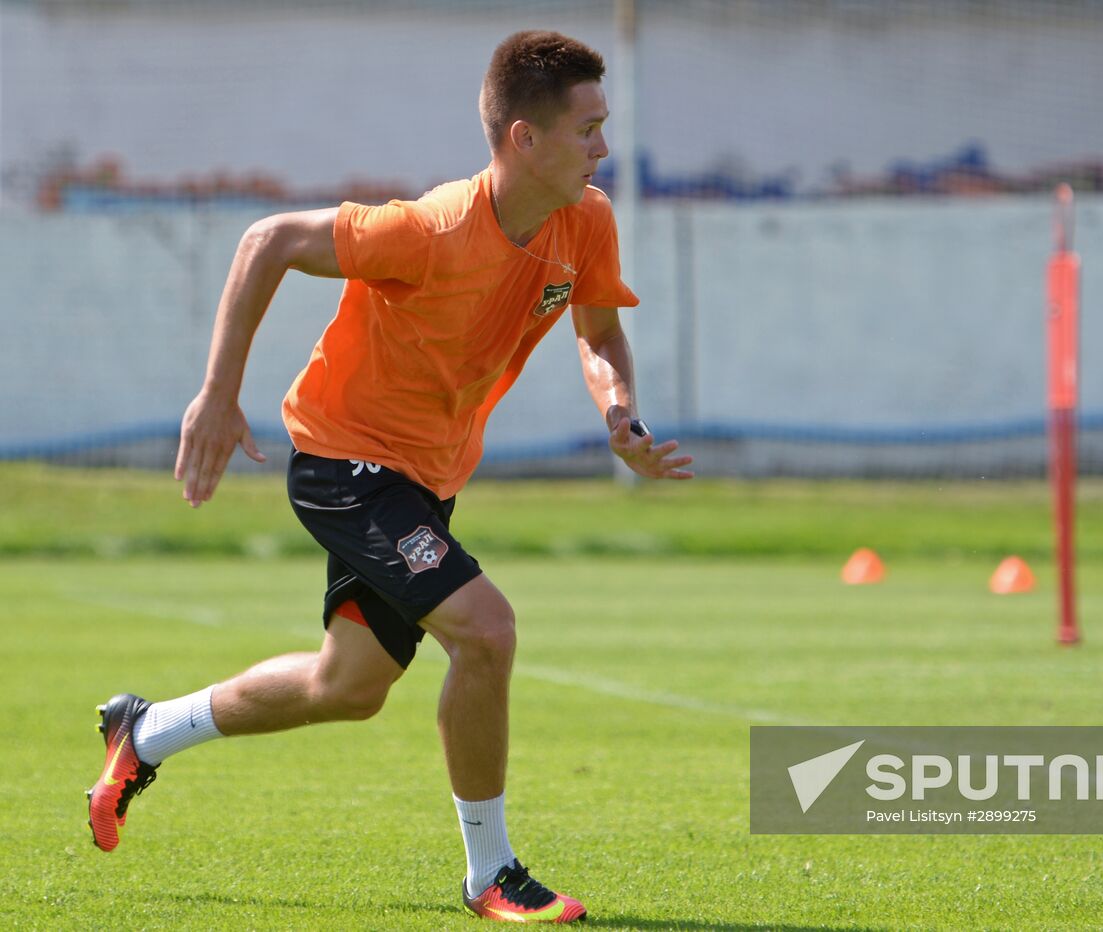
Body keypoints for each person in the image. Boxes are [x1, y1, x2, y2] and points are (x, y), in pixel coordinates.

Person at [85, 30, 692, 924]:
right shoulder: (431, 229)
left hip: (425, 477)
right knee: (486, 632)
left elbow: (597, 334)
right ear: (524, 138)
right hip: (344, 461)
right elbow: (269, 238)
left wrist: (619, 414)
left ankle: (145, 732)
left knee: (350, 687)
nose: (604, 147)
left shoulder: (585, 220)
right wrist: (218, 395)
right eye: (589, 128)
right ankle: (491, 873)